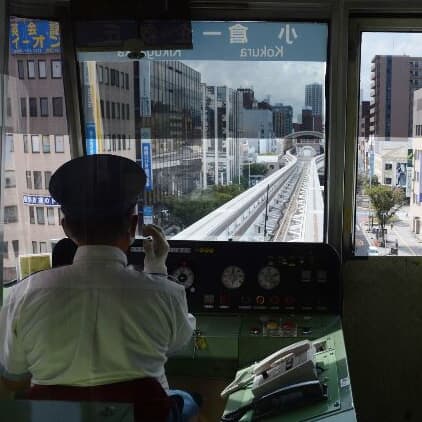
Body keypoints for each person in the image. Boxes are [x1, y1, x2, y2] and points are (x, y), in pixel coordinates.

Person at [0, 154, 198, 422]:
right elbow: (177, 343)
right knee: (187, 401)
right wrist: (156, 270)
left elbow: (13, 378)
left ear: (66, 228)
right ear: (132, 226)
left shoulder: (22, 295)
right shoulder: (165, 293)